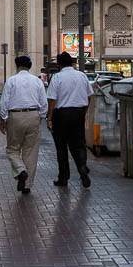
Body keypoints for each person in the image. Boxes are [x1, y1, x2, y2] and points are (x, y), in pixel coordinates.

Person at [0, 56, 47, 194]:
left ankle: (20, 170)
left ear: (16, 65)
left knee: (12, 149)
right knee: (31, 152)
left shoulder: (11, 80)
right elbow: (43, 103)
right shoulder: (37, 81)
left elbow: (4, 103)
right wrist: (41, 117)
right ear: (30, 66)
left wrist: (3, 120)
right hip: (34, 115)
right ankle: (27, 186)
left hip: (15, 116)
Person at [46, 52, 93, 188]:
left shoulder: (57, 77)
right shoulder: (82, 76)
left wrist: (49, 118)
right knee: (79, 144)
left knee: (61, 147)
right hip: (78, 113)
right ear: (72, 63)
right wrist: (83, 111)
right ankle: (82, 167)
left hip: (61, 115)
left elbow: (52, 99)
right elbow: (90, 96)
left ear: (59, 64)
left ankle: (63, 178)